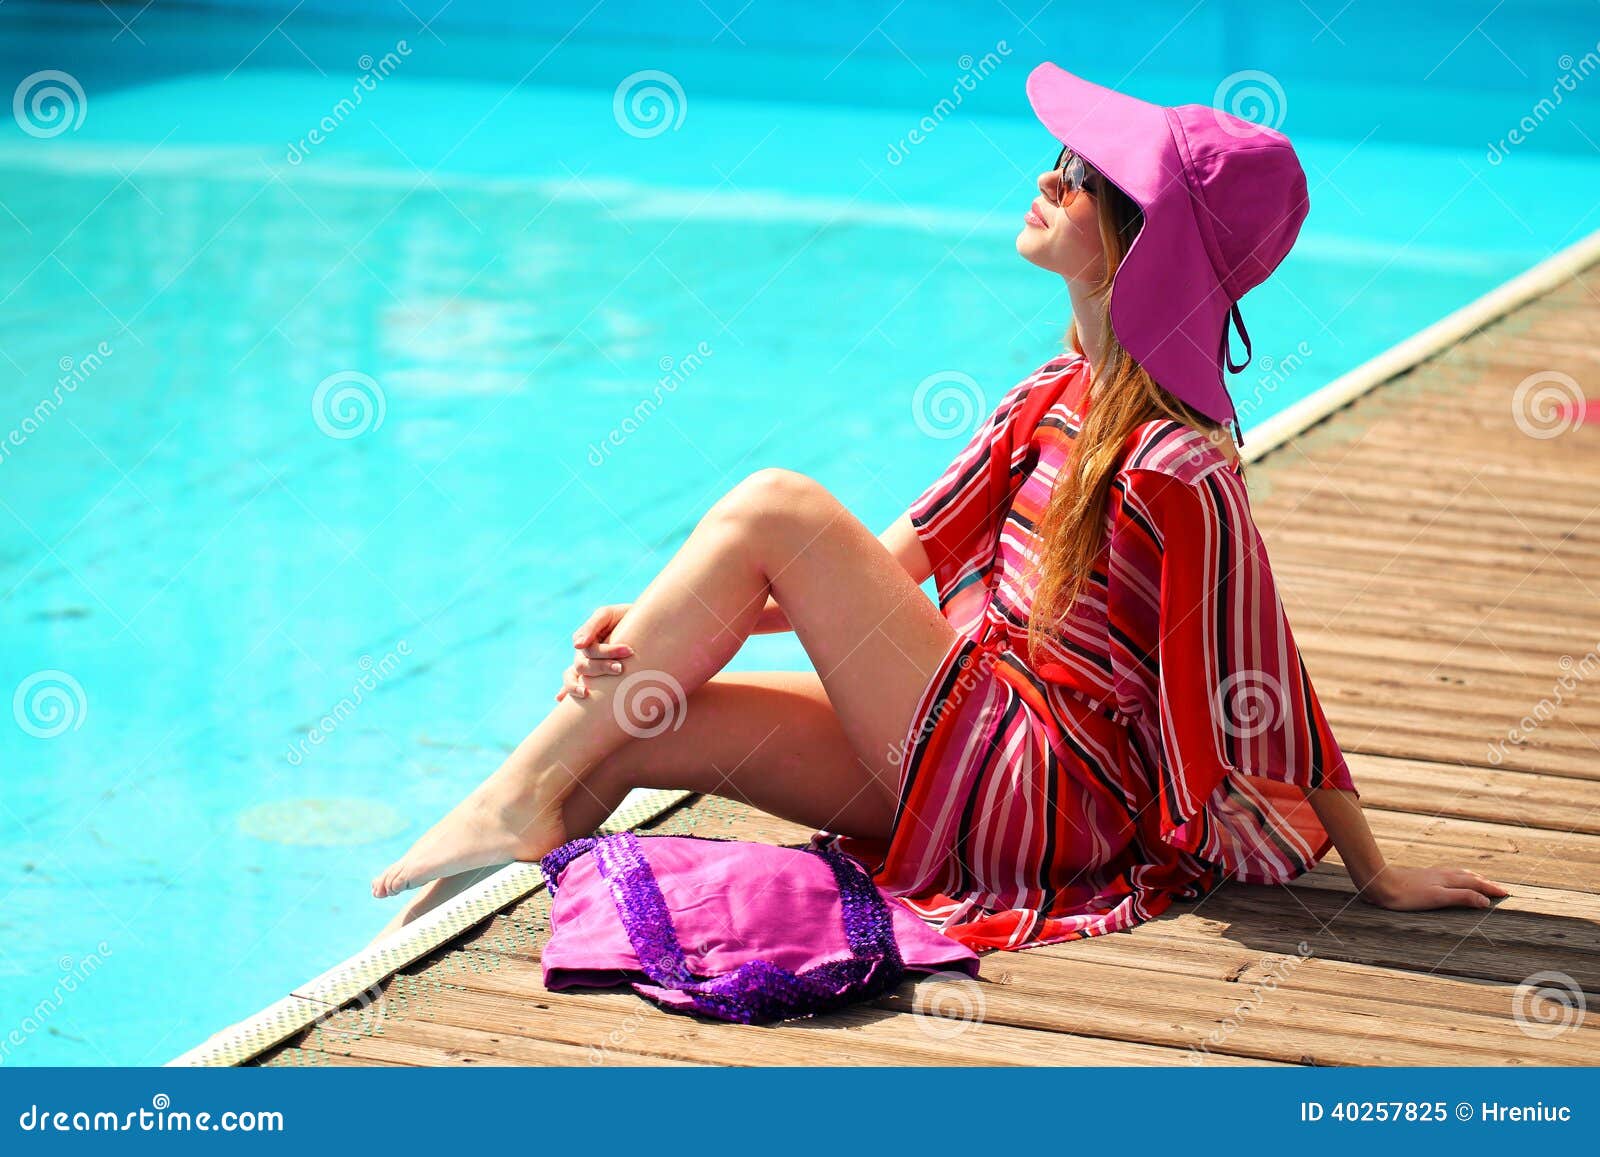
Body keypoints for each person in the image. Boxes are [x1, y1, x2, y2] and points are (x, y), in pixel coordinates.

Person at [370, 63, 1507, 948]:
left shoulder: (1179, 464)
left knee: (774, 499)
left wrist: (1375, 870)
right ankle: (438, 927)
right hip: (963, 743)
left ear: (1136, 245)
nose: (1044, 178)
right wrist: (668, 620)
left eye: (1075, 175)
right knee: (642, 723)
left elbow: (1268, 676)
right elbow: (884, 564)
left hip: (1052, 792)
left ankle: (510, 794)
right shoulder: (1051, 395)